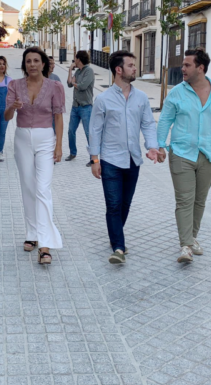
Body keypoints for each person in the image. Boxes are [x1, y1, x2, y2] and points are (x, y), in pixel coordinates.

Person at [157, 48, 211, 264]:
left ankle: (192, 239)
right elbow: (165, 119)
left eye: (187, 65)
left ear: (200, 68)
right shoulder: (177, 93)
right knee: (185, 200)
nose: (182, 68)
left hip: (208, 156)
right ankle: (185, 245)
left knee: (199, 201)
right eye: (183, 65)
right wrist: (160, 145)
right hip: (182, 153)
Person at [89, 51, 158, 265]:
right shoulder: (103, 99)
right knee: (113, 204)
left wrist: (152, 146)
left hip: (133, 159)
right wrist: (95, 159)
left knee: (125, 204)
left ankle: (115, 236)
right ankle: (118, 247)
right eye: (131, 65)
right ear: (119, 70)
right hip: (110, 160)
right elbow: (95, 130)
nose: (135, 69)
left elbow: (148, 124)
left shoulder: (142, 98)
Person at [5, 47, 65, 265]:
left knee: (42, 189)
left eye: (36, 61)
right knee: (28, 187)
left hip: (45, 138)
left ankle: (45, 244)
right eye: (28, 61)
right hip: (21, 138)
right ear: (24, 64)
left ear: (44, 64)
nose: (32, 64)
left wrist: (59, 145)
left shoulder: (55, 86)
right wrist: (13, 106)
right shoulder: (14, 85)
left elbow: (58, 117)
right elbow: (6, 116)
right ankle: (31, 233)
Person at [66, 50, 94, 167]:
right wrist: (69, 71)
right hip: (75, 106)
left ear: (79, 59)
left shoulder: (89, 71)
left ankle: (93, 158)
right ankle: (73, 153)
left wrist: (74, 83)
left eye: (75, 59)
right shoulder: (77, 72)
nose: (74, 61)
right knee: (71, 131)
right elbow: (68, 84)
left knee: (88, 133)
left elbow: (82, 86)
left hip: (86, 107)